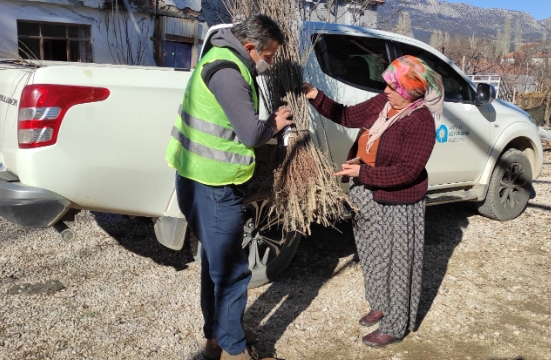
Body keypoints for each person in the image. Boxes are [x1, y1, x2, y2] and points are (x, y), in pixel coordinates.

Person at [165, 15, 292, 360]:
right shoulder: (229, 73)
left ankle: (218, 338)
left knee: (216, 265)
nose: (270, 63)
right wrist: (275, 124)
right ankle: (234, 349)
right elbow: (251, 135)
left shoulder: (215, 54)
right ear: (250, 47)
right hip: (214, 185)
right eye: (269, 55)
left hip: (197, 176)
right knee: (233, 272)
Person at [302, 55, 443, 347]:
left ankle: (395, 324)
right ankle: (380, 303)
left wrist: (363, 171)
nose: (385, 91)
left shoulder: (420, 121)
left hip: (398, 201)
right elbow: (347, 116)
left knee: (397, 262)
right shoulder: (384, 105)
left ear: (410, 91)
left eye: (393, 86)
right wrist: (315, 96)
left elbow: (408, 171)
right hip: (365, 192)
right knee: (371, 253)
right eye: (387, 85)